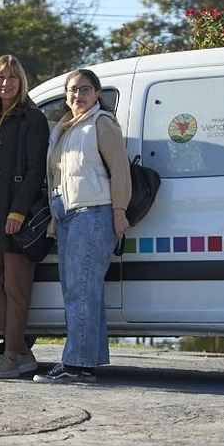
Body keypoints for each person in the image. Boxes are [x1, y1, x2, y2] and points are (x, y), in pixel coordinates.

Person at [35, 68, 130, 384]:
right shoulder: (63, 128)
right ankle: (87, 362)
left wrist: (119, 212)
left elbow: (120, 170)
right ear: (66, 95)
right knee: (81, 290)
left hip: (93, 213)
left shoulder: (100, 123)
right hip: (67, 215)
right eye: (73, 90)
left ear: (97, 94)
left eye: (85, 89)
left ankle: (75, 364)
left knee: (81, 290)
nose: (78, 95)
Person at [0, 55, 49, 379]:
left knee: (17, 291)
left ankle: (9, 355)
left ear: (21, 82)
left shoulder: (32, 118)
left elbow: (35, 170)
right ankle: (21, 353)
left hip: (15, 217)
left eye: (12, 78)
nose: (5, 83)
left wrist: (18, 211)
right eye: (0, 77)